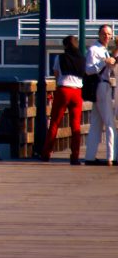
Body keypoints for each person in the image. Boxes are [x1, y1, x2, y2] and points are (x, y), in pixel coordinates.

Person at [41, 35, 84, 164]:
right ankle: (75, 156)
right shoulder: (82, 59)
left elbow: (56, 74)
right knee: (75, 126)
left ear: (65, 46)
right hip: (77, 92)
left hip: (63, 90)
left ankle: (46, 153)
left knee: (55, 122)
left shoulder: (60, 58)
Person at [84, 25, 117, 165]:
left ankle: (90, 157)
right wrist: (104, 62)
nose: (107, 36)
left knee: (96, 123)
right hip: (100, 85)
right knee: (110, 122)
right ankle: (112, 156)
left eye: (109, 34)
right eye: (104, 34)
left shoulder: (104, 50)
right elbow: (88, 70)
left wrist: (112, 58)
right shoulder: (94, 50)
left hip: (103, 85)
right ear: (99, 34)